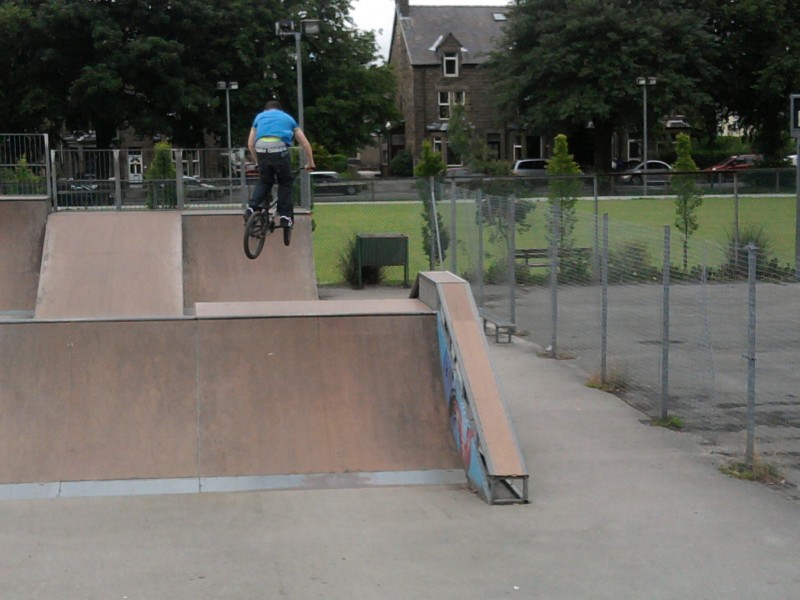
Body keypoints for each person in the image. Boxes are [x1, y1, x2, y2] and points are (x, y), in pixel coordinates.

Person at [245, 100, 315, 228]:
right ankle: (285, 216)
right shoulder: (288, 118)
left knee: (265, 181)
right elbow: (305, 144)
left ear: (266, 110)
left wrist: (257, 162)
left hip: (261, 149)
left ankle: (251, 207)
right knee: (285, 182)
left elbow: (250, 144)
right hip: (279, 150)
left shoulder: (259, 117)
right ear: (280, 110)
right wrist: (310, 163)